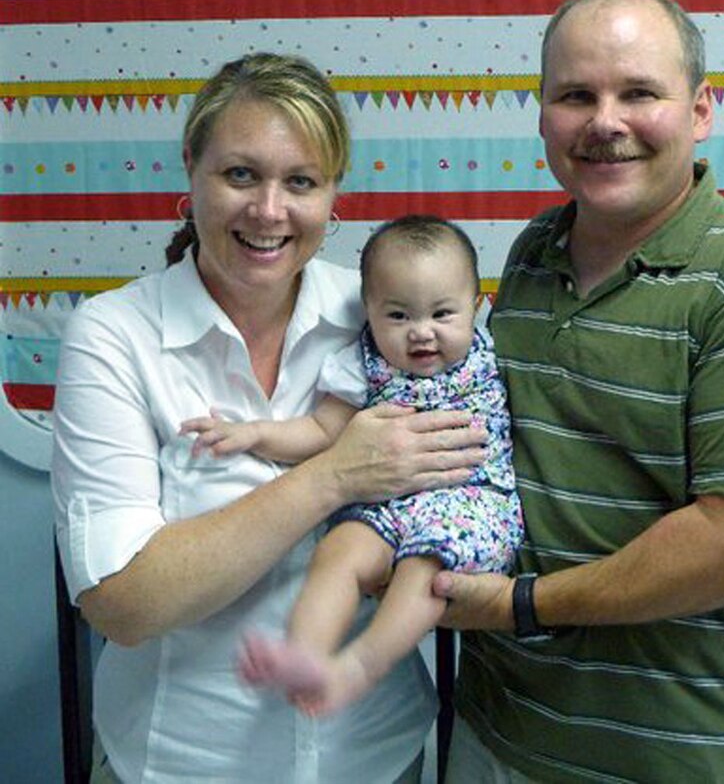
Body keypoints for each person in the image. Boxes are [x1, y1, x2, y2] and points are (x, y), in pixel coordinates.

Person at [432, 0, 724, 783]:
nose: (604, 122)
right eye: (575, 94)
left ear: (698, 112)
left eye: (638, 92)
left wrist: (522, 605)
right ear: (542, 113)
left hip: (660, 757)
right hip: (493, 728)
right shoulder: (532, 253)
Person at [51, 53, 487, 784]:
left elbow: (471, 455)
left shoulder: (381, 314)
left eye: (301, 182)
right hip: (174, 763)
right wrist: (333, 476)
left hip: (375, 753)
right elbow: (123, 605)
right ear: (191, 173)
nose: (269, 211)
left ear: (333, 195)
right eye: (241, 175)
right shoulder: (115, 334)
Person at [179, 215, 523, 717]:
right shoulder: (359, 364)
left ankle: (359, 666)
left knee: (422, 569)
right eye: (399, 316)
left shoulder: (491, 356)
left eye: (442, 314)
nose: (421, 333)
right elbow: (321, 432)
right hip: (384, 505)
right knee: (337, 551)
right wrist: (252, 432)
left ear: (476, 307)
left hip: (470, 503)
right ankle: (306, 655)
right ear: (369, 312)